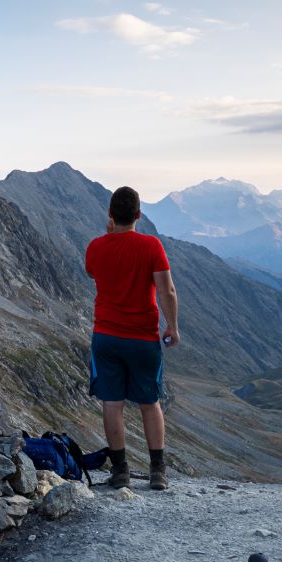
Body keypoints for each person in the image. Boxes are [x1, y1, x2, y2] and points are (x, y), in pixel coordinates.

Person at [84, 186, 180, 490]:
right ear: (139, 214)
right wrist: (172, 327)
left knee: (112, 404)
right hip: (143, 339)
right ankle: (158, 472)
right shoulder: (151, 246)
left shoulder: (96, 247)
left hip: (106, 337)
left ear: (111, 215)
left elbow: (92, 273)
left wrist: (107, 236)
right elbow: (167, 291)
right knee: (150, 403)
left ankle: (121, 471)